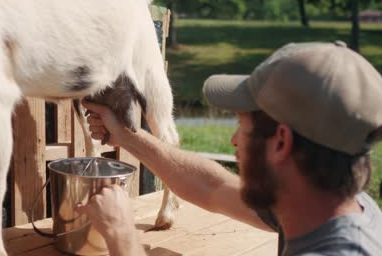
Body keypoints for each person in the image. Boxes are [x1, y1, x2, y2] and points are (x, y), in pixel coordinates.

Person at [77, 41, 382, 256]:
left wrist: (122, 235)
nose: (234, 140)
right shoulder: (331, 204)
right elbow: (212, 186)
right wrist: (128, 137)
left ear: (281, 143)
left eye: (242, 125)